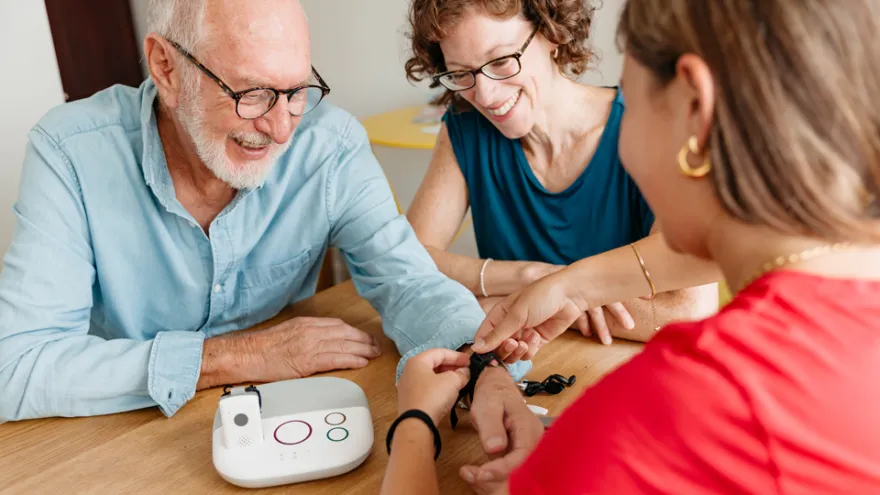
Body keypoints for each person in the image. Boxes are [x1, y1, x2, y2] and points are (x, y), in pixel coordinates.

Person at [383, 0, 880, 493]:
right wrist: (565, 286)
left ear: (694, 107)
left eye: (634, 100)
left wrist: (415, 424)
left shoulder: (651, 415)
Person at [0, 0, 522, 422]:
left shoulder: (330, 146)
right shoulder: (71, 152)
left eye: (296, 91)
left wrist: (486, 370)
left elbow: (411, 284)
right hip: (115, 437)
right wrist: (237, 356)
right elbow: (15, 367)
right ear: (166, 68)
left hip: (279, 423)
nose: (282, 128)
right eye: (251, 93)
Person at [403, 0, 721, 353]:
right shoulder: (464, 130)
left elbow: (686, 310)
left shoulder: (647, 126)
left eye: (502, 60)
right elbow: (405, 264)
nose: (485, 94)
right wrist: (530, 278)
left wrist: (524, 302)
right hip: (529, 366)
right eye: (461, 73)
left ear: (551, 33)